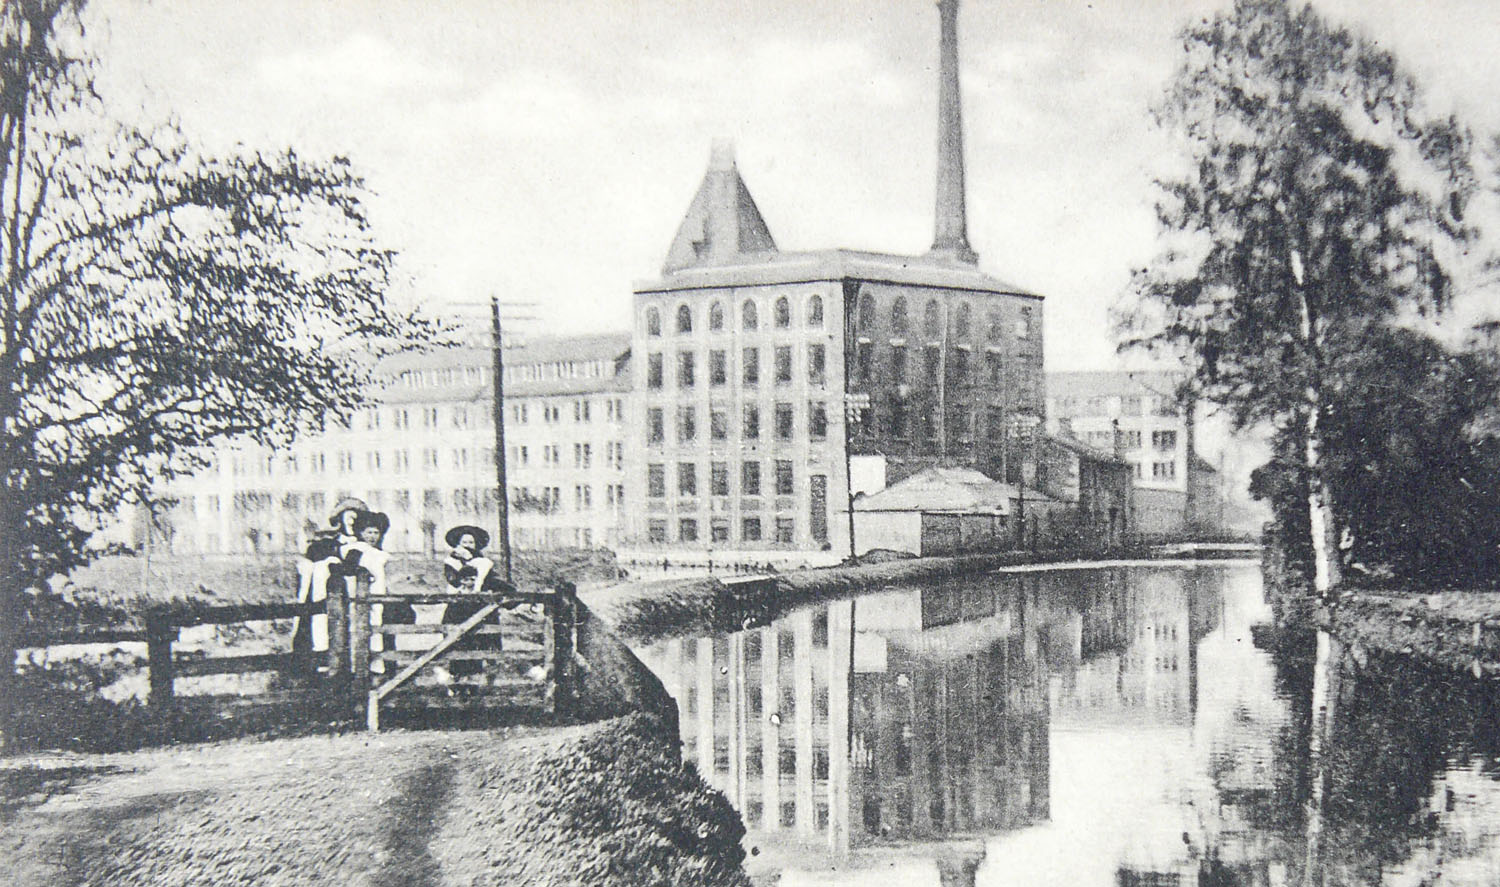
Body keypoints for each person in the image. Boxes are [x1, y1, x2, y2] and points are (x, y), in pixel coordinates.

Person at [292, 497, 368, 658]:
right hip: (326, 599)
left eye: (356, 519)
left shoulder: (365, 546)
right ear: (339, 520)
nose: (352, 523)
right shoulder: (326, 545)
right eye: (348, 518)